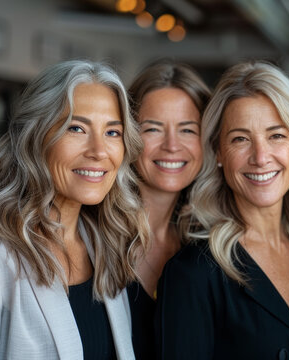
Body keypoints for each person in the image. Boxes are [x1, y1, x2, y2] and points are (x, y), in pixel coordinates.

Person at [0, 60, 149, 359]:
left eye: (112, 132)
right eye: (77, 128)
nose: (98, 151)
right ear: (35, 137)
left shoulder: (105, 246)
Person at [156, 61, 289, 359]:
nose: (260, 156)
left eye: (276, 135)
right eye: (240, 139)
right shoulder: (193, 273)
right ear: (218, 153)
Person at [126, 60, 210, 358]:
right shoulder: (94, 235)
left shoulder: (205, 242)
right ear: (128, 135)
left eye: (188, 130)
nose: (172, 145)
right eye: (153, 129)